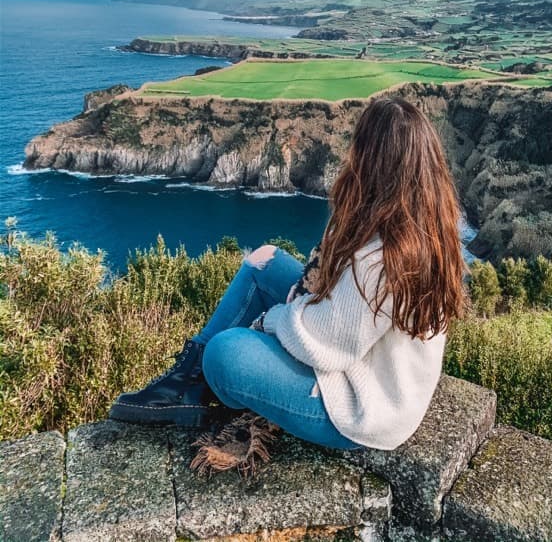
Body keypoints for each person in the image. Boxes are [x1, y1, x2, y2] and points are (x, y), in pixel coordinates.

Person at [109, 95, 470, 451]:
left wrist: (270, 320)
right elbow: (332, 299)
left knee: (224, 354)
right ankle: (184, 383)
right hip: (366, 360)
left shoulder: (382, 259)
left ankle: (196, 378)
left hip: (363, 405)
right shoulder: (420, 225)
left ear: (370, 161)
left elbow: (327, 345)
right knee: (264, 260)